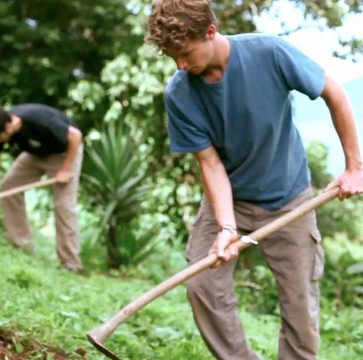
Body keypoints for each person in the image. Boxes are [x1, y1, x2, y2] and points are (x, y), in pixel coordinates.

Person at [147, 1, 363, 359]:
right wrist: (227, 227)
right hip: (230, 199)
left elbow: (335, 94)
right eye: (172, 57)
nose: (180, 65)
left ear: (210, 32)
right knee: (202, 284)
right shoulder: (180, 93)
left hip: (290, 197)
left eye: (184, 53)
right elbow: (210, 165)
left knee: (299, 305)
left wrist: (354, 167)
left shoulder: (270, 53)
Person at [0, 103, 84, 273]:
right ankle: (22, 246)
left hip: (63, 154)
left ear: (8, 126)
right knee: (8, 187)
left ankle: (71, 263)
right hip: (35, 155)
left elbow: (75, 136)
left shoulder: (38, 119)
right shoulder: (0, 127)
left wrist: (66, 168)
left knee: (64, 205)